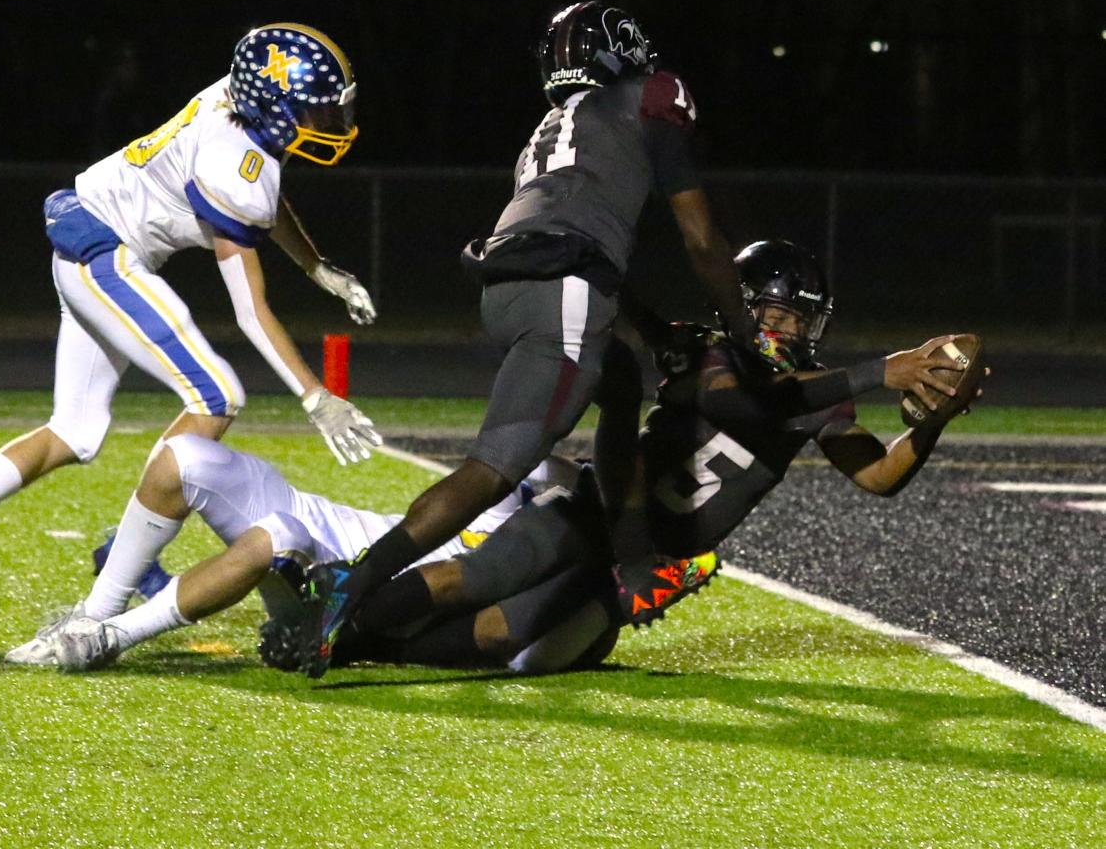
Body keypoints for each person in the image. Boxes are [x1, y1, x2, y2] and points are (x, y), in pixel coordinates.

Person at [292, 1, 758, 676]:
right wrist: (742, 331)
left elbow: (583, 251)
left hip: (509, 286)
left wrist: (655, 333)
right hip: (560, 288)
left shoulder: (550, 128)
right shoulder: (649, 98)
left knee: (621, 377)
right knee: (494, 469)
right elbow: (702, 242)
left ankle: (631, 560)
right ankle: (357, 583)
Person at [0, 23, 382, 626]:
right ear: (276, 107)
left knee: (76, 430)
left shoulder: (240, 107)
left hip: (93, 236)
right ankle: (119, 567)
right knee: (218, 394)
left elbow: (267, 193)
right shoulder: (234, 163)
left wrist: (319, 269)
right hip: (102, 250)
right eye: (318, 111)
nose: (332, 124)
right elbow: (250, 310)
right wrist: (316, 397)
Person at [317, 240, 984, 673]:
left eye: (798, 320)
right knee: (474, 577)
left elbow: (879, 475)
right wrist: (877, 372)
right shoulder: (713, 354)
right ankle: (335, 625)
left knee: (500, 639)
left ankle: (375, 645)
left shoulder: (816, 394)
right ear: (745, 312)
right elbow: (736, 406)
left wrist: (933, 423)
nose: (786, 330)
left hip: (639, 569)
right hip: (598, 514)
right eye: (774, 316)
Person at [8, 434, 549, 669]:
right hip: (336, 522)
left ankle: (108, 639)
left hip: (337, 587)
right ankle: (91, 617)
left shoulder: (558, 549)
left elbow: (511, 637)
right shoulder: (547, 476)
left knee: (279, 533)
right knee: (184, 459)